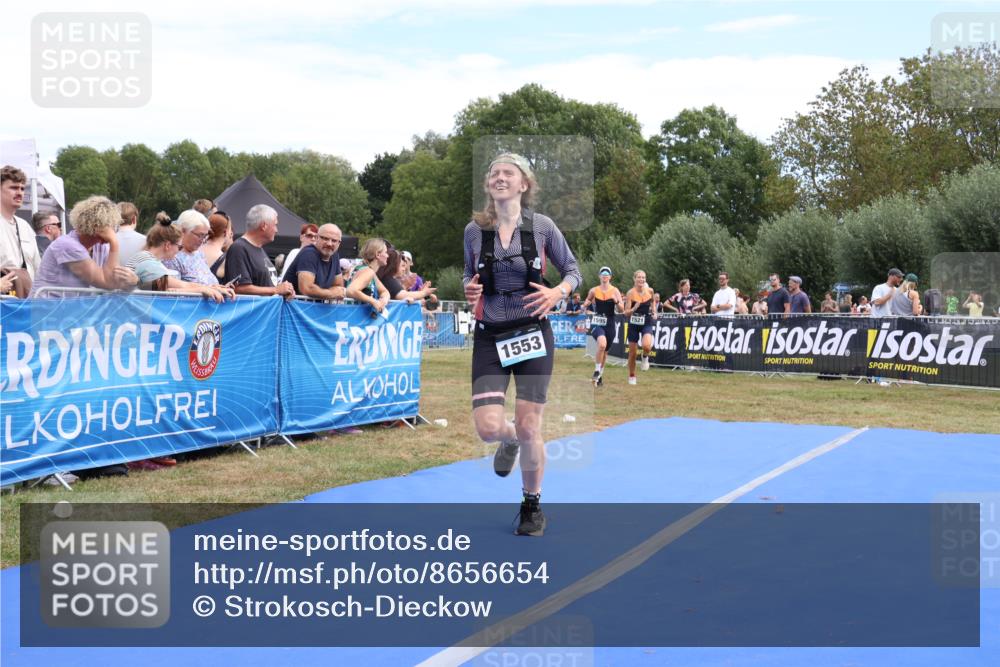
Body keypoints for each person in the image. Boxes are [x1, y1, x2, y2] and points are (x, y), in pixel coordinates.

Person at [463, 153, 581, 537]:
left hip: (532, 333)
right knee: (488, 427)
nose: (499, 178)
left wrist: (558, 292)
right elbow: (469, 273)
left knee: (532, 427)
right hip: (490, 335)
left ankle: (532, 504)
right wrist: (469, 288)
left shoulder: (543, 227)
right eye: (493, 173)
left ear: (523, 184)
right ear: (488, 185)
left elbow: (573, 271)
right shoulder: (473, 231)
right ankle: (508, 440)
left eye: (507, 173)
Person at [29, 195, 138, 296]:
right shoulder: (67, 245)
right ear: (94, 226)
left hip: (70, 312)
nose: (112, 230)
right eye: (109, 226)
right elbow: (107, 282)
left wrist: (133, 282)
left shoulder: (101, 246)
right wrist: (114, 242)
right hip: (45, 311)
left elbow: (115, 281)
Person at [125, 220, 232, 301]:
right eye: (179, 247)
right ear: (167, 245)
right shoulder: (148, 264)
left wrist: (209, 287)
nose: (179, 251)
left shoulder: (147, 259)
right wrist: (203, 289)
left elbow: (172, 288)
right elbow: (173, 289)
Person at [223, 204, 295, 298]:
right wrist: (276, 290)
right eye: (275, 225)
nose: (276, 230)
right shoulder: (239, 248)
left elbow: (264, 284)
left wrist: (284, 291)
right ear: (264, 226)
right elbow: (239, 288)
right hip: (253, 311)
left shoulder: (259, 249)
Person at [0, 166, 41, 296]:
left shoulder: (25, 226)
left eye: (22, 188)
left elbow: (37, 267)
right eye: (13, 188)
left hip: (24, 301)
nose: (20, 193)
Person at [581, 266, 624, 386]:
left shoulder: (615, 291)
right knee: (602, 344)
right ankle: (596, 370)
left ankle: (599, 375)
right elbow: (586, 302)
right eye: (602, 273)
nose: (605, 275)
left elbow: (621, 309)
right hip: (597, 322)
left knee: (605, 352)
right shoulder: (594, 290)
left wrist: (616, 301)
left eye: (607, 274)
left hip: (610, 323)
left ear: (610, 277)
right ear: (599, 276)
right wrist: (585, 304)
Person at [285, 223, 348, 300]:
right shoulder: (309, 253)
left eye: (334, 240)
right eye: (325, 238)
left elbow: (338, 286)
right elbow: (306, 289)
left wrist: (326, 292)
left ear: (339, 243)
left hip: (313, 308)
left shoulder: (334, 255)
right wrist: (331, 293)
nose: (329, 243)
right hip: (294, 308)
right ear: (317, 238)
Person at [163, 210, 221, 286]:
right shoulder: (172, 257)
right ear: (183, 230)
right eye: (200, 235)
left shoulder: (199, 254)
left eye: (205, 236)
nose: (203, 240)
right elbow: (172, 292)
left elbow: (207, 282)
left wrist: (218, 288)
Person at [623, 269, 656, 385]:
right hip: (633, 324)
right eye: (639, 277)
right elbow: (625, 312)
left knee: (647, 346)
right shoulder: (630, 293)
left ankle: (645, 357)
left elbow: (653, 301)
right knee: (632, 352)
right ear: (634, 279)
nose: (641, 279)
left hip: (646, 321)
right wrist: (633, 309)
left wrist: (655, 312)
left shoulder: (650, 291)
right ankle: (632, 375)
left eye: (643, 277)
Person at [346, 237, 391, 314]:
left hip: (354, 316)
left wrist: (384, 300)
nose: (388, 256)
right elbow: (351, 291)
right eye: (386, 252)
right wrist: (373, 301)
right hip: (356, 317)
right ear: (378, 254)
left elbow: (385, 292)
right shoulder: (368, 272)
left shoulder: (367, 271)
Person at [203, 212, 233, 281]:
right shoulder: (225, 260)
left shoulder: (195, 250)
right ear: (225, 232)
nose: (231, 234)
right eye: (230, 230)